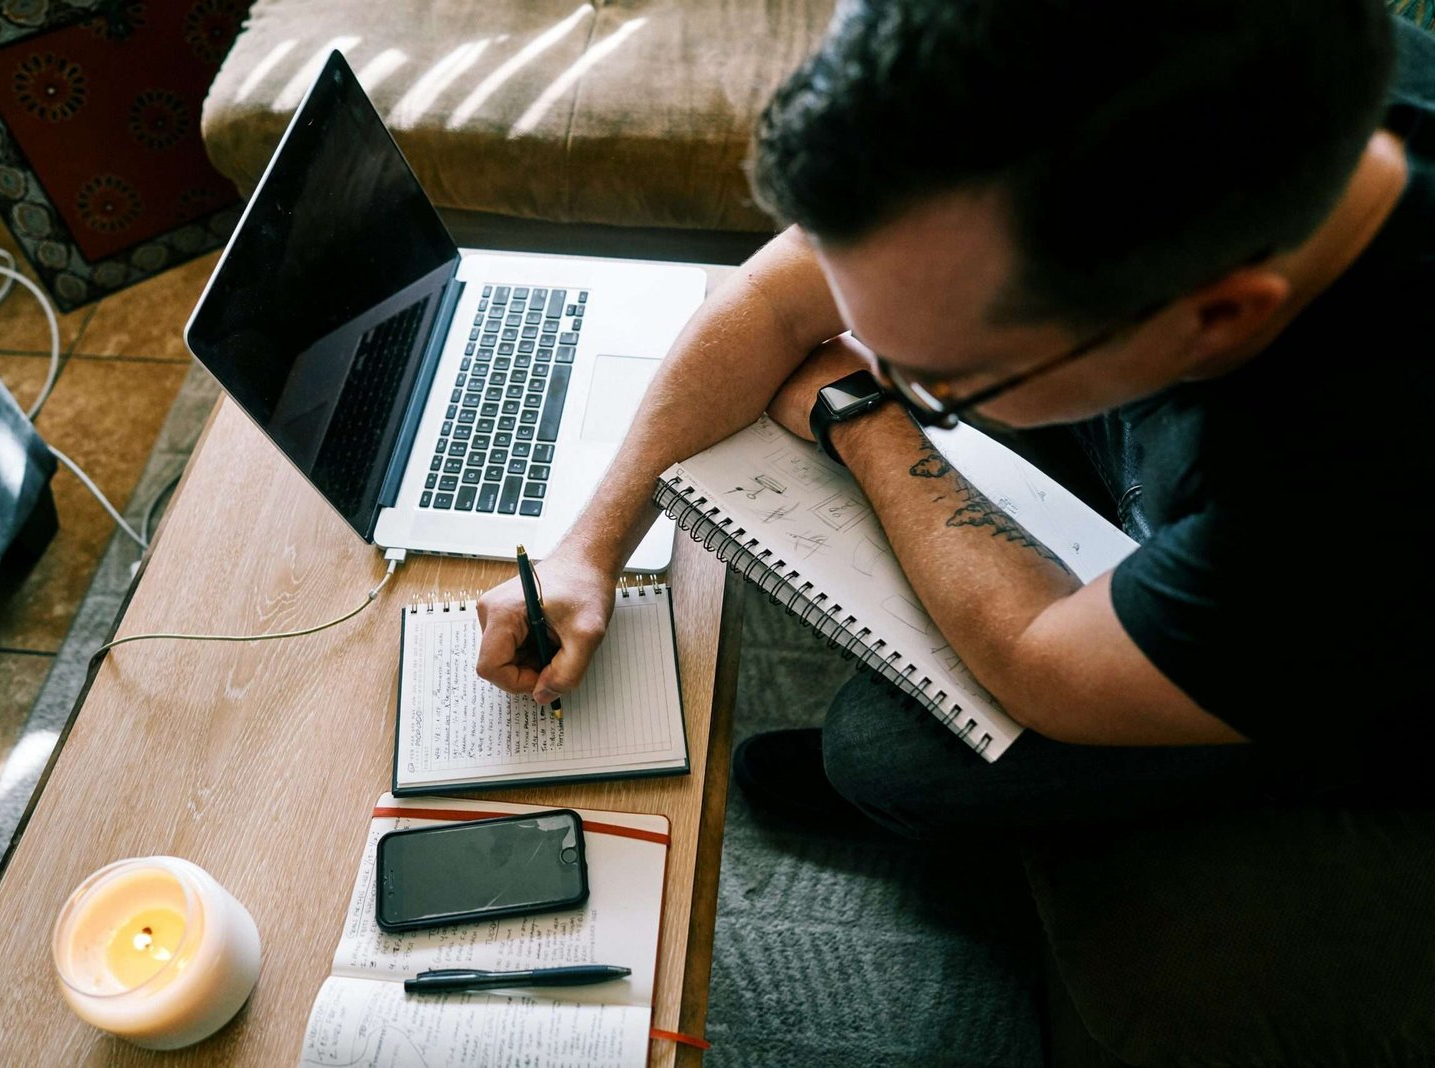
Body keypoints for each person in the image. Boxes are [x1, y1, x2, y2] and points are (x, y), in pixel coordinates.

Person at [475, 0, 1435, 837]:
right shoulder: (1165, 87)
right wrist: (588, 550)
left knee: (883, 761)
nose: (863, 354)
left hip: (1348, 656)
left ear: (1216, 318)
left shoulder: (1344, 503)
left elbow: (1041, 660)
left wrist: (862, 411)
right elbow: (774, 304)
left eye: (943, 380)